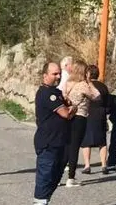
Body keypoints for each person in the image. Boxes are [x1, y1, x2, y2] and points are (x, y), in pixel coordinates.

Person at [34, 62, 73, 205]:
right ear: (45, 75)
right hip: (48, 142)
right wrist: (72, 108)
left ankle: (45, 200)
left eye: (59, 73)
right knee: (45, 175)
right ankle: (40, 202)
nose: (58, 76)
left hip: (61, 141)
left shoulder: (55, 92)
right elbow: (65, 113)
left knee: (56, 175)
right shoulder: (47, 93)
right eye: (54, 74)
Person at [64, 61, 100, 187]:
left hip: (67, 116)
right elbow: (97, 96)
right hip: (80, 116)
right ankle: (71, 177)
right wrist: (90, 82)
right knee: (74, 147)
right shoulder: (83, 85)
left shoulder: (67, 83)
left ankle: (57, 176)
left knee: (66, 146)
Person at [81, 65, 111, 174]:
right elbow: (108, 103)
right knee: (102, 141)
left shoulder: (86, 86)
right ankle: (104, 165)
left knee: (86, 141)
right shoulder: (103, 87)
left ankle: (87, 165)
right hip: (100, 114)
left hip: (88, 113)